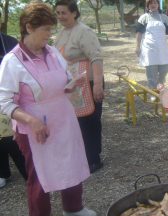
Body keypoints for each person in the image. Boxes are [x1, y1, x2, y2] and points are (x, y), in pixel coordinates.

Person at [0, 2, 97, 216]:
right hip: (35, 127)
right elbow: (4, 101)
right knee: (39, 174)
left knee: (71, 162)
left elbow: (62, 78)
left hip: (63, 119)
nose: (50, 35)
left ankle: (73, 207)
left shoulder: (52, 52)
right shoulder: (12, 62)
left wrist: (70, 84)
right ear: (29, 28)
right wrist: (31, 120)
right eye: (45, 30)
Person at [55, 0, 104, 173]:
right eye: (58, 13)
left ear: (74, 13)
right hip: (73, 84)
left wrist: (97, 84)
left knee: (90, 121)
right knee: (77, 121)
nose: (60, 16)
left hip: (89, 81)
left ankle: (94, 159)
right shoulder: (61, 34)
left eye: (64, 12)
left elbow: (96, 58)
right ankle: (82, 155)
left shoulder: (84, 31)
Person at [0, 16, 27, 188]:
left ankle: (27, 171)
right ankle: (2, 172)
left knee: (10, 135)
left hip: (7, 95)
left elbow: (21, 68)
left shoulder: (9, 42)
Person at [135, 0, 168, 91]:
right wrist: (137, 47)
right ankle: (153, 93)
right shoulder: (144, 18)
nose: (153, 5)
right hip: (149, 49)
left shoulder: (164, 18)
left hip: (162, 48)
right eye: (151, 3)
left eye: (155, 3)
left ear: (158, 5)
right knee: (151, 73)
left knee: (165, 68)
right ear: (147, 6)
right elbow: (139, 33)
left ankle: (160, 85)